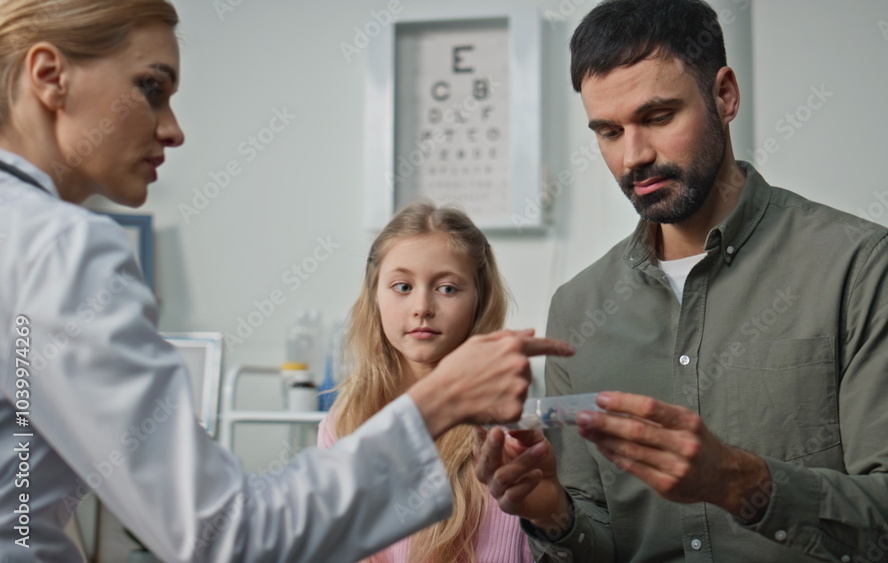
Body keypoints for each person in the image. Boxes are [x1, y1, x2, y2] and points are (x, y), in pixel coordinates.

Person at [0, 1, 572, 561]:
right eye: (152, 88)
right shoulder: (58, 248)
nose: (174, 131)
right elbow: (226, 537)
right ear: (50, 77)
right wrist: (441, 402)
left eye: (448, 287)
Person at [475, 1, 888, 561]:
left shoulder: (859, 267)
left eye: (658, 117)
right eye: (609, 131)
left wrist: (743, 483)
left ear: (724, 96)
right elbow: (599, 544)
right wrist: (553, 516)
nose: (634, 157)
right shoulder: (579, 309)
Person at [318, 201, 533, 562]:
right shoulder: (341, 425)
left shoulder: (507, 431)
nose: (422, 307)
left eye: (447, 289)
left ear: (479, 301)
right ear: (375, 297)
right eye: (402, 286)